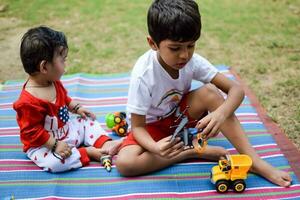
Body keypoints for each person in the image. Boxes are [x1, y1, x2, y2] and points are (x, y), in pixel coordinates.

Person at [116, 0, 292, 187]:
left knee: (209, 92)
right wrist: (155, 148)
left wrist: (220, 114)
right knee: (126, 164)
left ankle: (254, 161)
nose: (184, 55)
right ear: (153, 43)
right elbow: (138, 127)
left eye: (191, 46)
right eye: (175, 48)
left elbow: (236, 90)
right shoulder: (143, 74)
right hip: (151, 128)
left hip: (180, 119)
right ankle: (190, 150)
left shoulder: (193, 61)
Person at [13, 26, 122, 173]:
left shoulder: (52, 81)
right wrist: (54, 144)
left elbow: (65, 99)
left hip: (67, 131)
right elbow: (31, 132)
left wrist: (76, 108)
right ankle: (88, 152)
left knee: (86, 121)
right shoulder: (27, 103)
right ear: (44, 67)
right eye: (62, 61)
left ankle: (104, 143)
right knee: (55, 163)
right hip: (44, 144)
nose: (65, 66)